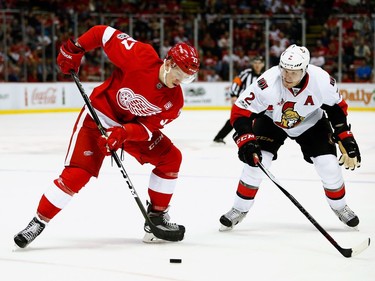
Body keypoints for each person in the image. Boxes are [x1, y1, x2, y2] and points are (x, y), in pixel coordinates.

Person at [14, 25, 200, 248]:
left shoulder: (174, 102)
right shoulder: (140, 56)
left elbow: (147, 129)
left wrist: (123, 133)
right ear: (169, 64)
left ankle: (156, 220)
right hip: (100, 116)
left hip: (129, 129)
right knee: (77, 174)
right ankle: (38, 222)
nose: (182, 82)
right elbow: (103, 33)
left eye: (189, 79)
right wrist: (75, 48)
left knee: (170, 158)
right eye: (181, 76)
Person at [219, 44, 361, 231]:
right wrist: (246, 138)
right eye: (284, 69)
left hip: (311, 121)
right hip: (272, 120)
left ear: (305, 69)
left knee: (329, 166)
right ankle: (238, 209)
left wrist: (345, 136)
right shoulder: (268, 82)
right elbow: (239, 111)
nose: (287, 76)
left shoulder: (322, 81)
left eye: (293, 72)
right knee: (256, 164)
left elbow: (336, 109)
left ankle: (340, 207)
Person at [213, 56, 264, 144]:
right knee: (236, 119)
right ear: (252, 64)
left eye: (259, 63)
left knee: (256, 121)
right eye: (255, 63)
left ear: (263, 65)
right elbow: (236, 82)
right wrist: (233, 95)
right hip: (243, 102)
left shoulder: (263, 76)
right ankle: (219, 137)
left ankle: (253, 139)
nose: (257, 65)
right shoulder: (246, 73)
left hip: (255, 104)